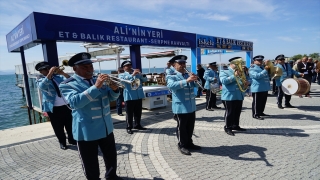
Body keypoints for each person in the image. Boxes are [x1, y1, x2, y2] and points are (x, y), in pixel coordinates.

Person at [59, 52, 119, 180]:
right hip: (86, 130)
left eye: (90, 66)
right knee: (90, 162)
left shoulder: (97, 79)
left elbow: (110, 97)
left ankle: (111, 176)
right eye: (84, 67)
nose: (89, 69)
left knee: (111, 156)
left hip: (106, 126)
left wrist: (115, 90)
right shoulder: (67, 84)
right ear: (74, 69)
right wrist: (96, 87)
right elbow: (75, 103)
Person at [35, 61, 76, 150]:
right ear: (40, 72)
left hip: (66, 105)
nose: (47, 70)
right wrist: (49, 74)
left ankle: (72, 139)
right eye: (44, 69)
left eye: (48, 68)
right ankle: (62, 142)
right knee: (58, 127)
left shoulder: (59, 77)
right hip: (53, 108)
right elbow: (42, 86)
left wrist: (63, 73)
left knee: (70, 124)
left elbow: (72, 81)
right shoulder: (40, 80)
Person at [166, 55, 201, 155]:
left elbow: (197, 85)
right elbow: (171, 86)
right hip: (180, 106)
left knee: (190, 126)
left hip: (191, 105)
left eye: (184, 63)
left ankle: (189, 143)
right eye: (180, 63)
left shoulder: (187, 74)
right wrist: (186, 81)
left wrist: (197, 79)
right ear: (174, 65)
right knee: (182, 127)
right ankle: (182, 144)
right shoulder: (172, 75)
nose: (182, 65)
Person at [219, 57, 249, 136]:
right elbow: (224, 81)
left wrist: (247, 83)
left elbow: (247, 79)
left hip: (239, 94)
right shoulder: (224, 71)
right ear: (231, 64)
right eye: (237, 64)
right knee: (230, 112)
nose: (239, 65)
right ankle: (228, 127)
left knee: (237, 112)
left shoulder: (241, 72)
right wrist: (234, 76)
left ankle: (235, 125)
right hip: (229, 95)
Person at [119, 61, 147, 134]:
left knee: (138, 112)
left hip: (138, 96)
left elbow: (145, 80)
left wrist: (142, 75)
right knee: (129, 113)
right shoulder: (122, 75)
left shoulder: (137, 74)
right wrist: (132, 75)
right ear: (124, 68)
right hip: (129, 97)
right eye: (127, 66)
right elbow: (124, 81)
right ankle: (129, 127)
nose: (129, 66)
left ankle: (137, 125)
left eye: (130, 65)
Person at [249, 55, 271, 120]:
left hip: (264, 87)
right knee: (257, 102)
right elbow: (256, 76)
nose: (260, 62)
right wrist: (265, 70)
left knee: (263, 101)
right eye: (258, 60)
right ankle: (255, 114)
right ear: (254, 61)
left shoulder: (262, 67)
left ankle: (261, 112)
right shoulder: (252, 68)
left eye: (261, 60)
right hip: (257, 88)